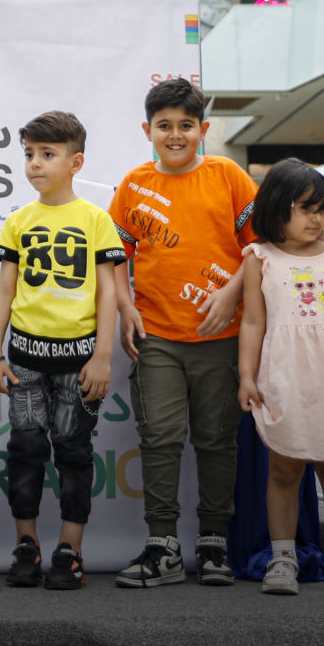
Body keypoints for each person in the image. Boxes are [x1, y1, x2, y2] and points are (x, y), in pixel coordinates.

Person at [106, 78, 255, 588]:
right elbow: (114, 259)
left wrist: (230, 293)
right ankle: (163, 546)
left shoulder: (229, 176)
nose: (175, 135)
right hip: (157, 339)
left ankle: (214, 543)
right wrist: (126, 307)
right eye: (164, 126)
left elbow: (259, 249)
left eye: (186, 126)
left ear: (203, 129)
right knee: (160, 439)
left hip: (222, 337)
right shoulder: (134, 185)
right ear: (147, 130)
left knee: (217, 442)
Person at [0, 111, 126, 589]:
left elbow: (108, 292)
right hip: (24, 359)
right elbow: (4, 291)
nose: (35, 163)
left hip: (79, 362)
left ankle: (70, 549)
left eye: (47, 154)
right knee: (25, 449)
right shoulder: (18, 221)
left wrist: (103, 355)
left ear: (75, 162)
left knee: (73, 451)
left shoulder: (96, 220)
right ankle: (25, 544)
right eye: (29, 154)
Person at [237, 160, 324, 598]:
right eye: (305, 209)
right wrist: (246, 376)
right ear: (277, 208)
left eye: (321, 209)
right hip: (284, 378)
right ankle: (282, 558)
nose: (317, 219)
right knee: (284, 467)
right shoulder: (259, 258)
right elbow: (253, 322)